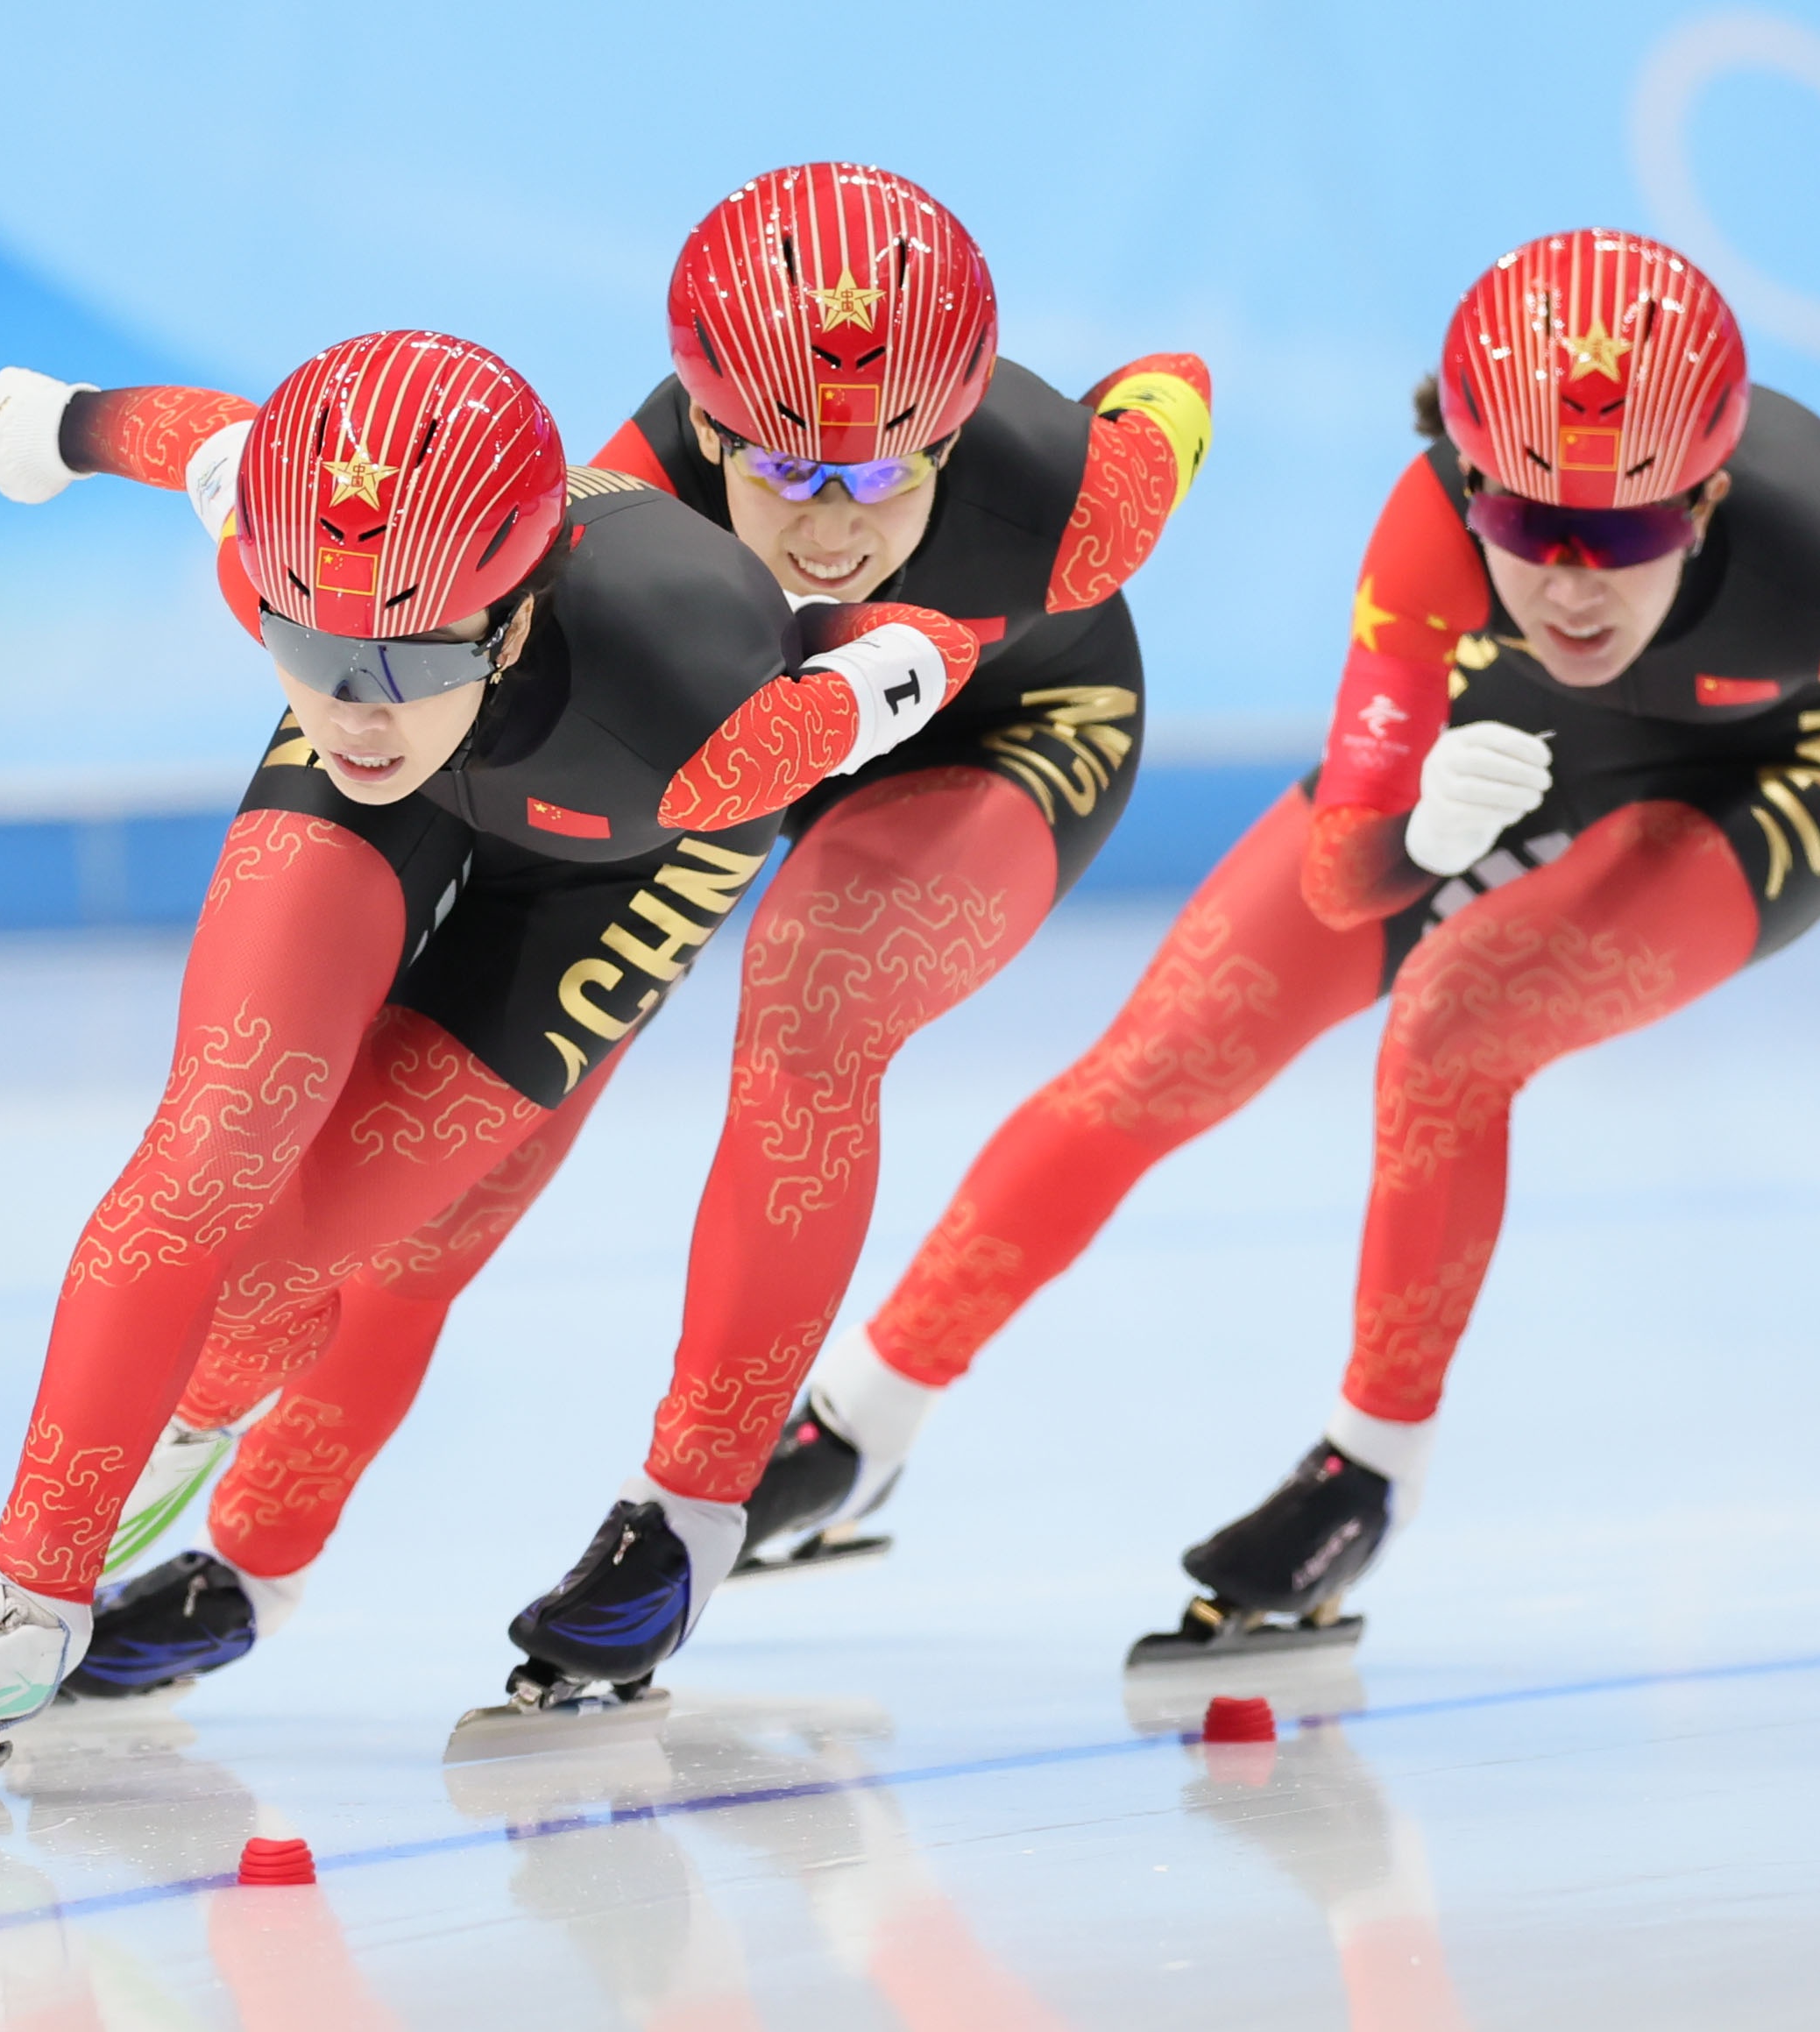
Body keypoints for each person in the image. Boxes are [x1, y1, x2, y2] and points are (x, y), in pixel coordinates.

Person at [755, 228, 1820, 1653]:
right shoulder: (1431, 532)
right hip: (1513, 727)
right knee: (1164, 1058)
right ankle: (863, 1422)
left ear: (1709, 502)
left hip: (1771, 767)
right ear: (1471, 483)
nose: (1574, 585)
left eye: (1630, 532)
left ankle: (1371, 1470)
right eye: (1530, 527)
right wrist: (1416, 834)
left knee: (1455, 1024)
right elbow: (1350, 884)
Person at [66, 163, 1213, 1721]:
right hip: (734, 747)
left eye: (882, 482)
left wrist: (1127, 407)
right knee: (468, 1167)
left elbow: (1171, 393)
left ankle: (686, 1518)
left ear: (951, 438)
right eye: (779, 475)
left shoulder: (1076, 505)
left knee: (813, 999)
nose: (824, 533)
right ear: (707, 425)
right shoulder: (624, 508)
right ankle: (251, 1564)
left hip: (998, 741)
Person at [0, 327, 979, 1784]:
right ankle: (28, 1605)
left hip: (623, 856)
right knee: (208, 1147)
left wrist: (893, 671)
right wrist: (60, 423)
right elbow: (202, 442)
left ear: (515, 617)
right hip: (437, 794)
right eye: (309, 646)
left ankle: (199, 1425)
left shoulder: (705, 694)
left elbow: (925, 640)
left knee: (292, 1271)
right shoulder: (292, 559)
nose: (357, 705)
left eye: (410, 655)